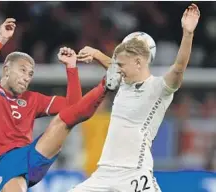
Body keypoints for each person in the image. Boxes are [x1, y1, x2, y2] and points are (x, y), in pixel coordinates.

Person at [0, 18, 121, 192]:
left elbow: (75, 106)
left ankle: (106, 84)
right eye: (22, 70)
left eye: (31, 73)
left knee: (64, 120)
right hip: (2, 161)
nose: (27, 77)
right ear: (6, 70)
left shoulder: (32, 99)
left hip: (33, 154)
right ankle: (105, 85)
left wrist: (71, 68)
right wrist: (1, 40)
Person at [72, 4, 200, 192]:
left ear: (139, 62)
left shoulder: (159, 88)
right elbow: (114, 65)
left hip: (134, 174)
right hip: (104, 173)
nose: (117, 69)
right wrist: (97, 54)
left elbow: (179, 67)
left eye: (121, 65)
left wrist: (188, 34)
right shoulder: (124, 81)